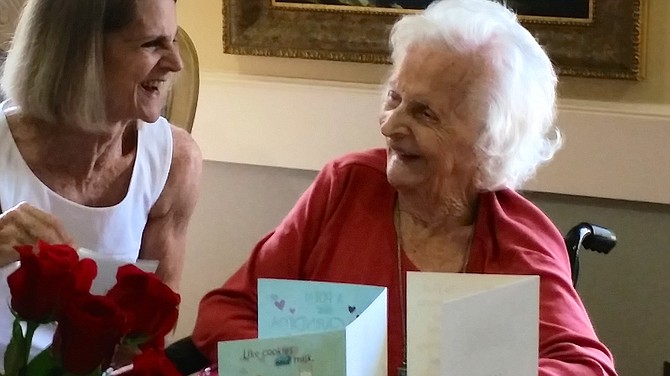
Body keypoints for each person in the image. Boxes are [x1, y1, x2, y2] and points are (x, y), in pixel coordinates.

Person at [183, 0, 616, 375]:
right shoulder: (345, 188)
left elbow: (587, 366)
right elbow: (225, 313)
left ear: (489, 141)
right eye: (394, 98)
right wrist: (298, 363)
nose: (390, 125)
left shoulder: (518, 239)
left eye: (425, 113)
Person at [0, 0, 201, 362]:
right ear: (80, 52)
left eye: (172, 40)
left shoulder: (175, 163)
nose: (176, 63)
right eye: (152, 44)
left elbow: (148, 335)